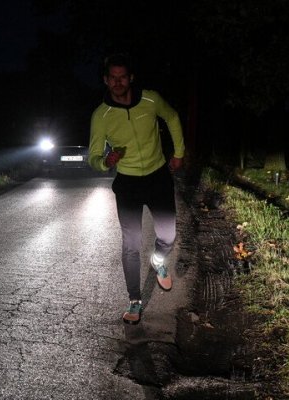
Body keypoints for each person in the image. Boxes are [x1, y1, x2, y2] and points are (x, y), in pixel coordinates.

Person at [88, 53, 185, 325]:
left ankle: (158, 258)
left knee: (168, 234)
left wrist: (178, 153)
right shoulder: (101, 116)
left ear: (131, 78)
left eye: (123, 77)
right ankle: (134, 300)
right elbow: (93, 156)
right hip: (128, 183)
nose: (118, 82)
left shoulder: (150, 99)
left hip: (157, 176)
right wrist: (105, 161)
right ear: (106, 81)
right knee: (131, 244)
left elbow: (173, 117)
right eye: (112, 78)